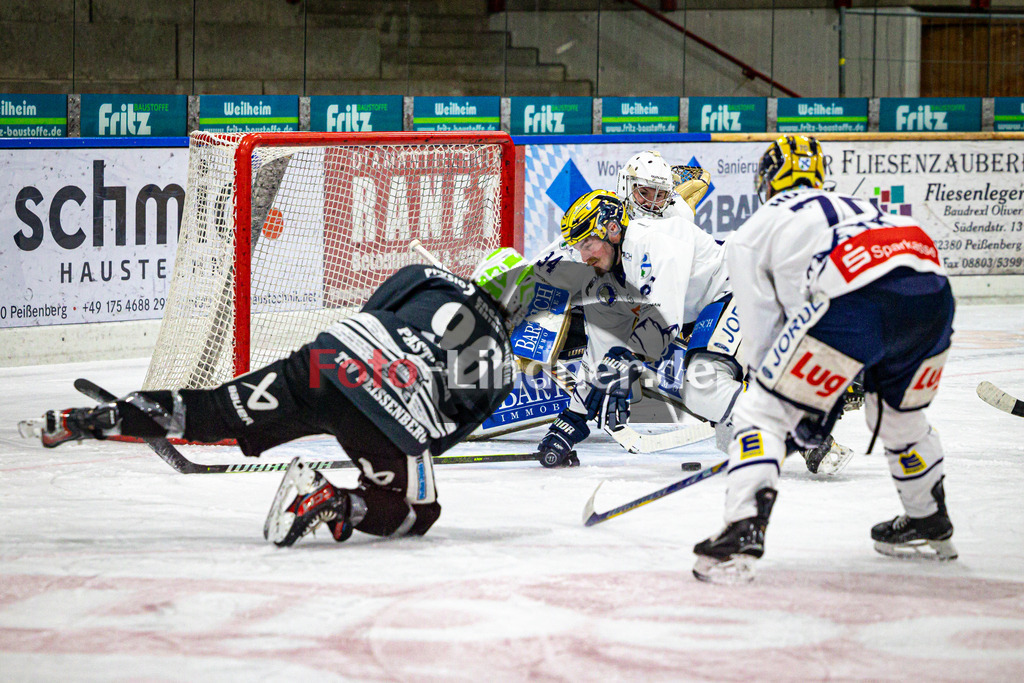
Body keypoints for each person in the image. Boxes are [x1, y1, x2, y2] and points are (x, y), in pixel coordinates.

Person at [29, 249, 539, 547]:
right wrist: (392, 445)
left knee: (212, 411)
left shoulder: (431, 277)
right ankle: (328, 499)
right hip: (391, 416)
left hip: (326, 362)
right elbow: (444, 435)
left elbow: (372, 310)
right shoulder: (501, 367)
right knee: (417, 515)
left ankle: (97, 419)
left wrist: (349, 380)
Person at [692, 135, 956, 584]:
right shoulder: (858, 203)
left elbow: (762, 340)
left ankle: (742, 532)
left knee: (761, 411)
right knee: (897, 416)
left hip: (854, 300)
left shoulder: (753, 230)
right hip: (932, 291)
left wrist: (792, 408)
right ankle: (929, 519)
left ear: (766, 181)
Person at [530, 188, 742, 468]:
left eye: (588, 244)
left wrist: (625, 362)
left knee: (705, 386)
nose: (583, 258)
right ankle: (808, 436)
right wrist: (571, 421)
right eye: (578, 248)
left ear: (613, 229)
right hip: (714, 306)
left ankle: (806, 426)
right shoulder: (602, 281)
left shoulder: (654, 242)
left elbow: (663, 323)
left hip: (741, 286)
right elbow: (601, 355)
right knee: (725, 425)